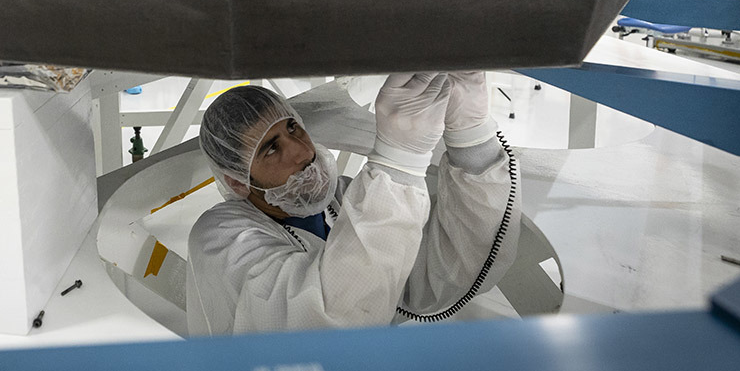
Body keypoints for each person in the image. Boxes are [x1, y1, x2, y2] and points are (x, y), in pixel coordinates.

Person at [186, 72, 519, 335]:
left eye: (293, 128)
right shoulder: (219, 238)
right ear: (237, 182)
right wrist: (398, 162)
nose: (302, 151)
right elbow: (324, 323)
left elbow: (438, 276)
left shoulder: (339, 199)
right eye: (271, 149)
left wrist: (472, 142)